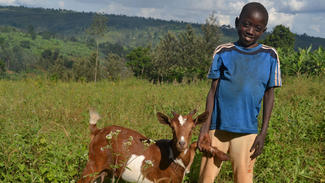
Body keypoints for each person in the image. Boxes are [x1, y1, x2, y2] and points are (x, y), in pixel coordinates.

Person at [198, 2, 281, 183]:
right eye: (246, 24)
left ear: (263, 30)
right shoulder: (223, 52)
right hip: (216, 129)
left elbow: (269, 95)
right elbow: (212, 92)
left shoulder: (270, 56)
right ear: (237, 23)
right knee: (206, 178)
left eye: (257, 28)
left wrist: (262, 133)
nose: (250, 31)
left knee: (243, 178)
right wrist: (204, 129)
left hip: (247, 133)